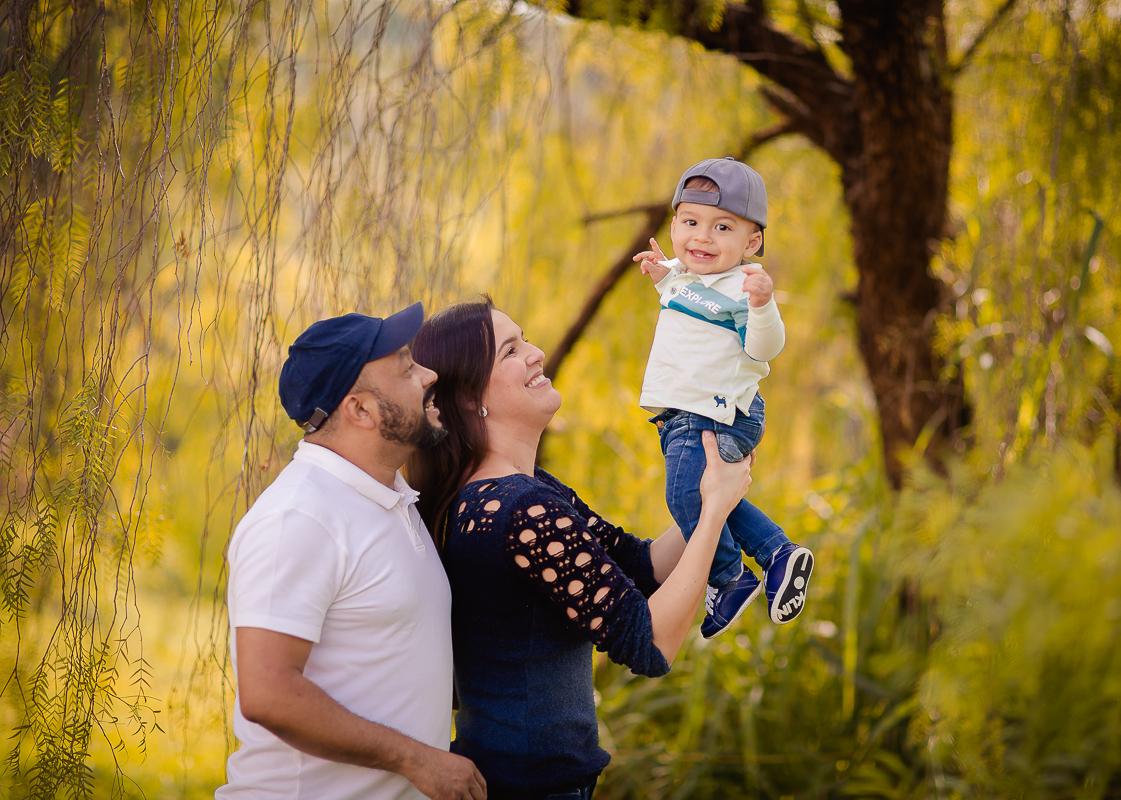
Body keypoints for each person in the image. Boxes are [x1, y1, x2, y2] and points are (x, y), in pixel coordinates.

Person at [405, 299, 753, 800]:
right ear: (468, 397)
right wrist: (715, 513)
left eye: (524, 338)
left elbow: (642, 565)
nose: (536, 353)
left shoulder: (517, 493)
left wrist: (710, 494)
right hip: (528, 789)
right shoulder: (520, 510)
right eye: (510, 351)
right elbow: (651, 644)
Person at [218, 302, 487, 800]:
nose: (429, 373)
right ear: (360, 409)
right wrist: (417, 759)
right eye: (406, 366)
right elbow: (269, 693)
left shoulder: (391, 499)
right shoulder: (299, 518)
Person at [632, 156, 815, 639]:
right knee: (716, 499)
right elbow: (684, 300)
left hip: (711, 412)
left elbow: (764, 348)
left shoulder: (742, 287)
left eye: (722, 227)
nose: (702, 238)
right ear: (674, 226)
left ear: (751, 243)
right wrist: (660, 273)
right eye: (690, 223)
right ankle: (777, 554)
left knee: (684, 495)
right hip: (681, 416)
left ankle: (730, 579)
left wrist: (762, 305)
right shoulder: (685, 277)